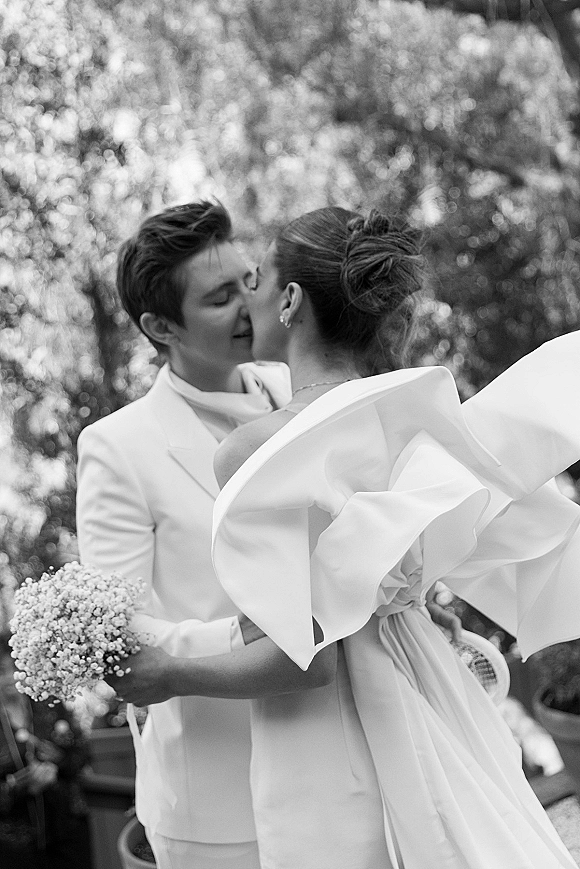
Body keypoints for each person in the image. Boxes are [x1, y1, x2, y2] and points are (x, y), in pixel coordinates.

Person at [111, 205, 580, 868]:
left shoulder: (256, 447)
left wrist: (168, 672)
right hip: (425, 693)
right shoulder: (408, 411)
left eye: (257, 283)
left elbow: (303, 658)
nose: (249, 301)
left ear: (292, 300)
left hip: (325, 744)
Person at [75, 201, 292, 869]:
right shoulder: (118, 447)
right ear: (160, 326)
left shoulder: (297, 385)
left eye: (249, 280)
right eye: (221, 297)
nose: (249, 304)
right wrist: (257, 633)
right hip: (219, 800)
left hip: (338, 760)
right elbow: (122, 634)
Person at [0, 639, 93, 869]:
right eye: (1, 672)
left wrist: (60, 759)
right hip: (16, 845)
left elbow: (83, 756)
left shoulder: (47, 702)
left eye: (14, 666)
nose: (10, 676)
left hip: (68, 829)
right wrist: (16, 786)